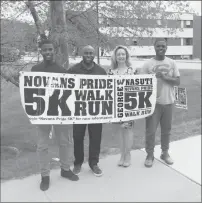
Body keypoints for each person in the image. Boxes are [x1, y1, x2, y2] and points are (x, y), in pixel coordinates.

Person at [31, 39, 79, 191]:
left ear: (54, 51)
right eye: (45, 50)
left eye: (50, 49)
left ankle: (65, 169)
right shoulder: (35, 69)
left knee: (65, 142)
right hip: (43, 112)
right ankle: (45, 176)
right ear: (41, 51)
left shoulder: (62, 70)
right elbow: (31, 91)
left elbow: (67, 92)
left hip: (59, 112)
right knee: (42, 146)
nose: (48, 52)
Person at [67, 45, 106, 177]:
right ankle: (78, 162)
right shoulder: (73, 70)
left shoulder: (101, 71)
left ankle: (93, 163)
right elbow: (65, 87)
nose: (89, 55)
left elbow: (107, 91)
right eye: (86, 53)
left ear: (94, 54)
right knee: (77, 137)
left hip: (96, 111)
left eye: (91, 53)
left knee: (95, 138)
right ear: (82, 54)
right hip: (79, 111)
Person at [141, 38, 180, 167]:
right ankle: (150, 154)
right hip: (153, 104)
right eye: (158, 46)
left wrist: (164, 77)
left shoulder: (172, 63)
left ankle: (164, 153)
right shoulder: (147, 64)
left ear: (166, 47)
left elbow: (177, 81)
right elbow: (141, 83)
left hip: (168, 102)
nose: (161, 48)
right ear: (154, 47)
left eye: (163, 46)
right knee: (151, 131)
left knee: (166, 130)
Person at [108, 45, 136, 167]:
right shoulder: (110, 72)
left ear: (126, 56)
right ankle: (122, 154)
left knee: (128, 129)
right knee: (119, 131)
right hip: (115, 106)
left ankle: (128, 155)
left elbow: (137, 88)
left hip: (129, 105)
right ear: (115, 57)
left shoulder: (132, 71)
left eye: (123, 54)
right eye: (118, 54)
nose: (121, 56)